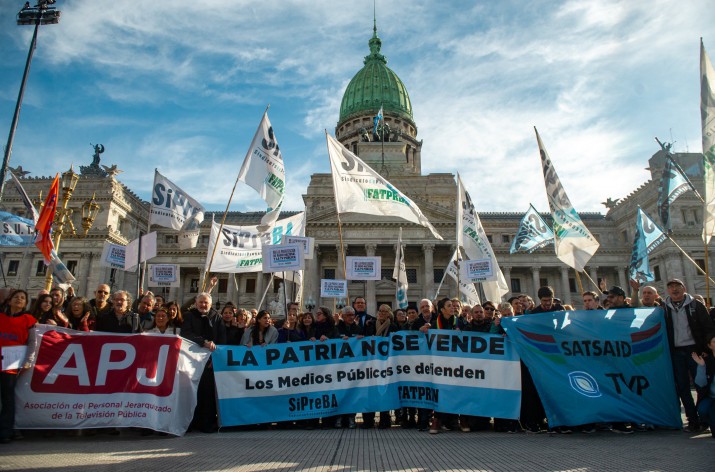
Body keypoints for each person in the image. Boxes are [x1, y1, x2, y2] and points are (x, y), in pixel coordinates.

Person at [662, 279, 715, 432]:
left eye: (677, 287)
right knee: (683, 387)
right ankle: (692, 420)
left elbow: (708, 328)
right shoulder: (664, 308)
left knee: (701, 386)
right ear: (668, 291)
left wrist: (705, 348)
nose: (674, 290)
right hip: (676, 352)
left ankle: (704, 418)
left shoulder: (695, 306)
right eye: (671, 287)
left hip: (694, 351)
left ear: (684, 288)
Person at [180, 292, 226, 433]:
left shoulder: (217, 317)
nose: (203, 305)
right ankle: (190, 422)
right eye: (201, 302)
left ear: (210, 304)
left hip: (209, 362)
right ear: (196, 302)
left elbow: (222, 340)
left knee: (207, 393)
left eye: (206, 302)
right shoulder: (189, 316)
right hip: (190, 361)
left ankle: (207, 423)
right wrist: (203, 342)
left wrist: (216, 359)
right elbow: (185, 334)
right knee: (190, 392)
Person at [0, 289, 36, 443]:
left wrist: (28, 360)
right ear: (9, 300)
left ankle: (5, 432)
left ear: (25, 303)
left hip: (11, 363)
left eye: (22, 298)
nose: (19, 300)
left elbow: (32, 343)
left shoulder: (29, 320)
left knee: (7, 397)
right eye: (16, 297)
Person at [363, 304, 398, 429]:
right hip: (372, 363)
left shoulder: (393, 326)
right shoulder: (371, 325)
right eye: (380, 311)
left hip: (387, 363)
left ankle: (384, 419)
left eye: (384, 311)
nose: (382, 313)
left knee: (385, 391)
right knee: (370, 391)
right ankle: (368, 419)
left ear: (389, 313)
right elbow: (365, 339)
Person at [692, 334, 715, 438]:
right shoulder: (707, 361)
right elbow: (701, 383)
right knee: (702, 409)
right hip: (711, 397)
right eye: (714, 342)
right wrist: (701, 367)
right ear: (709, 346)